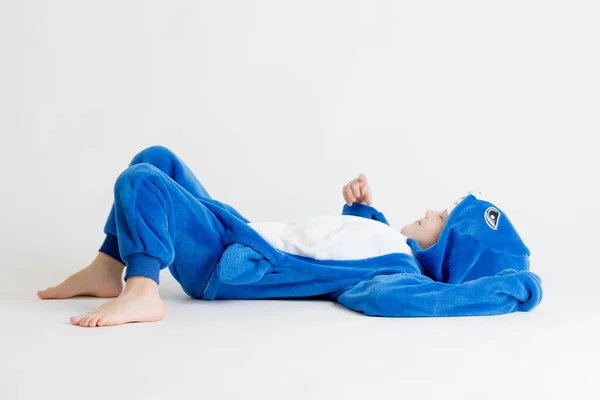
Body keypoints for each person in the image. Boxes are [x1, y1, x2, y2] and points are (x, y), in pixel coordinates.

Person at [38, 146, 543, 327]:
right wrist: (362, 210)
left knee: (140, 183)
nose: (431, 208)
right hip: (242, 231)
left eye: (443, 216)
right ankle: (109, 267)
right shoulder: (391, 242)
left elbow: (407, 298)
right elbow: (339, 242)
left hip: (229, 264)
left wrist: (516, 288)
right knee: (157, 157)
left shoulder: (397, 273)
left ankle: (143, 287)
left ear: (447, 248)